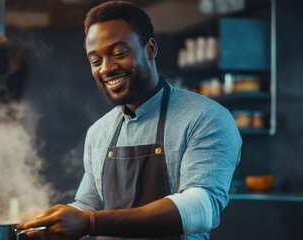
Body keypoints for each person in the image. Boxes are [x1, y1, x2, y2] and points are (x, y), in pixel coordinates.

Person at [21, 1, 241, 240]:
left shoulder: (205, 117)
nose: (106, 69)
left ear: (150, 49)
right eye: (96, 61)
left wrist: (89, 222)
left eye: (119, 53)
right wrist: (49, 221)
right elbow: (87, 205)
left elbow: (199, 209)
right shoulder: (99, 132)